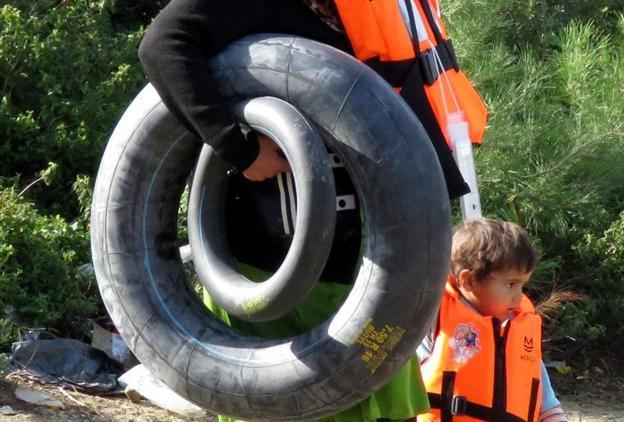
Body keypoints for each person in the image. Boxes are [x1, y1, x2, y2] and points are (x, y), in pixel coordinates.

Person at [137, 1, 488, 421]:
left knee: (387, 410)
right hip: (272, 266)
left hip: (371, 261)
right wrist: (240, 148)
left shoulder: (376, 11)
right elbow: (163, 47)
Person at [417, 219, 567, 422]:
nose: (519, 296)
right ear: (468, 280)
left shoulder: (521, 337)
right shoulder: (434, 321)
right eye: (511, 284)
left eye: (522, 285)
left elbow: (548, 407)